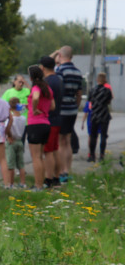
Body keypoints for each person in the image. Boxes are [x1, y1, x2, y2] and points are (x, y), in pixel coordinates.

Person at [54, 46, 84, 181]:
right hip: (72, 109)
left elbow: (58, 90)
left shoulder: (60, 71)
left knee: (60, 141)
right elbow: (79, 93)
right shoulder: (78, 72)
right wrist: (76, 106)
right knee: (68, 141)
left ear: (60, 55)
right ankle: (68, 169)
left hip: (61, 109)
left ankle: (61, 171)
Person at [25, 64, 54, 191]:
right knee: (40, 156)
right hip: (45, 124)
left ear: (31, 77)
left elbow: (36, 97)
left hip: (35, 124)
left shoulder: (36, 87)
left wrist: (35, 108)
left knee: (35, 157)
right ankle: (40, 184)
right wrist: (40, 108)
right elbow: (52, 106)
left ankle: (38, 186)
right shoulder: (47, 88)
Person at [39, 55, 64, 188]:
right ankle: (56, 177)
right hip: (58, 117)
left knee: (48, 151)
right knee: (55, 149)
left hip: (49, 119)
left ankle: (48, 178)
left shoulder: (47, 82)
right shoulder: (59, 79)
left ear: (42, 67)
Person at [88, 72, 113, 162]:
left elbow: (90, 100)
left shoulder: (92, 90)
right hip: (104, 114)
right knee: (103, 135)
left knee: (93, 135)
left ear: (97, 80)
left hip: (94, 114)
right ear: (105, 80)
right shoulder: (107, 91)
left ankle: (92, 155)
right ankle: (102, 155)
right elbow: (109, 101)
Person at [5, 99, 28, 187]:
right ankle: (23, 183)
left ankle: (11, 183)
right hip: (20, 141)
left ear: (10, 108)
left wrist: (9, 136)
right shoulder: (23, 118)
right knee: (21, 164)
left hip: (11, 142)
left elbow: (7, 129)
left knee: (11, 164)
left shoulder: (10, 119)